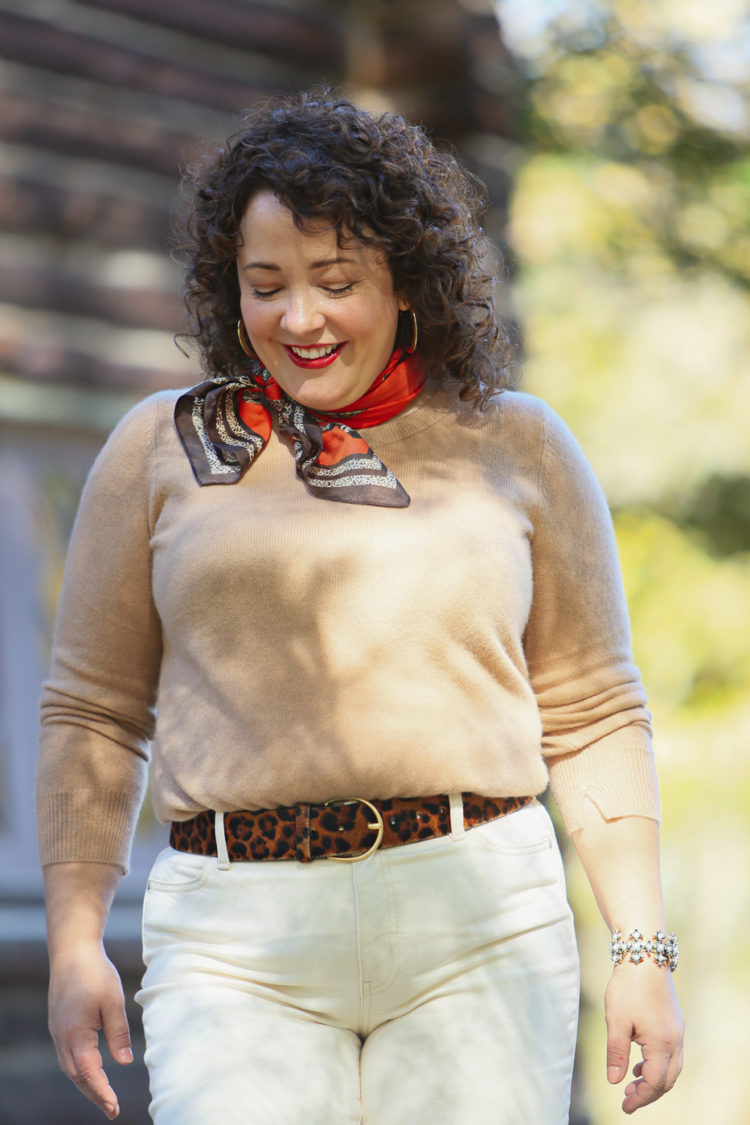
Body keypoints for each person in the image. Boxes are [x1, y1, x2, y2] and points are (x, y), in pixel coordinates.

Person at [37, 89, 683, 1125]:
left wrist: (641, 950)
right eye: (267, 284)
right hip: (236, 938)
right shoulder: (156, 449)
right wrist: (76, 942)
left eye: (336, 281)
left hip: (479, 923)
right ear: (227, 289)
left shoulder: (518, 444)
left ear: (406, 281)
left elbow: (597, 710)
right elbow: (93, 713)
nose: (300, 317)